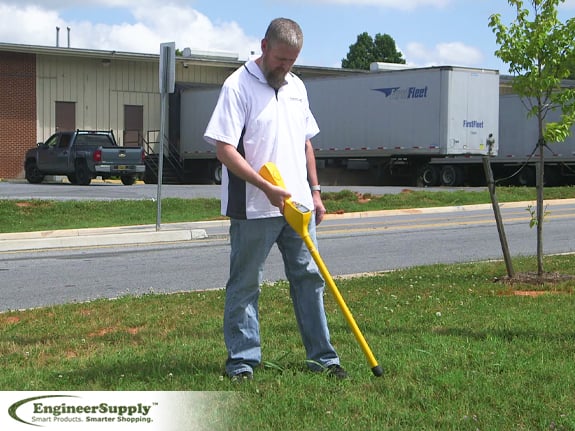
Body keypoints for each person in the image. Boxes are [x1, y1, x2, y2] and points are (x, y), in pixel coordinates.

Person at [203, 17, 347, 381]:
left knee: (309, 278)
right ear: (264, 47)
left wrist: (315, 192)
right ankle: (242, 361)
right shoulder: (237, 86)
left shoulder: (297, 87)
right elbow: (224, 148)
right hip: (253, 207)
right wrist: (264, 187)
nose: (285, 67)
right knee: (246, 283)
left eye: (292, 62)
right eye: (281, 59)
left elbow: (305, 142)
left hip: (298, 206)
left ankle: (323, 358)